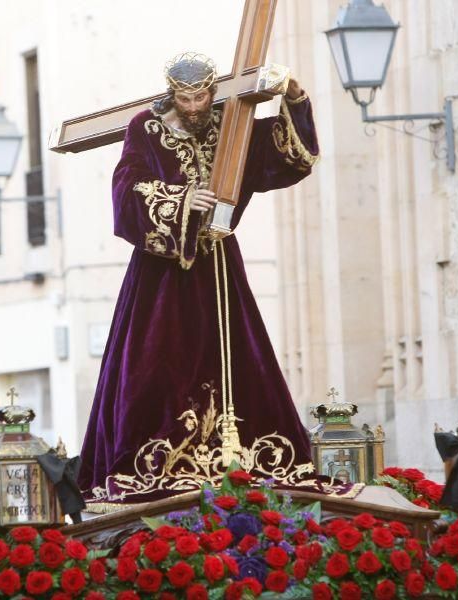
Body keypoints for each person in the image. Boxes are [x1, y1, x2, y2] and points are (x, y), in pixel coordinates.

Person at [78, 52, 325, 505]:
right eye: (185, 98)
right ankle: (157, 463)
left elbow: (291, 157)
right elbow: (126, 190)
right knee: (154, 365)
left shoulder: (232, 126)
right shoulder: (146, 130)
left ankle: (247, 460)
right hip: (161, 279)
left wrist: (293, 94)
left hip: (219, 268)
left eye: (201, 97)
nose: (194, 107)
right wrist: (180, 199)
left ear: (214, 92)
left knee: (239, 359)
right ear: (172, 93)